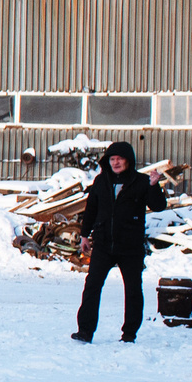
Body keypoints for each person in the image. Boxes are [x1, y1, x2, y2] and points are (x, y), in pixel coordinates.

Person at [73, 139, 168, 343]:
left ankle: (129, 334)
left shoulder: (141, 181)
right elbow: (91, 210)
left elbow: (159, 206)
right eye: (112, 159)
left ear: (129, 161)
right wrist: (84, 235)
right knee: (92, 286)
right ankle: (85, 331)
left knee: (133, 290)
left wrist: (154, 186)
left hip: (130, 246)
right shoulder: (101, 181)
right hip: (104, 244)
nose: (115, 163)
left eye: (120, 159)